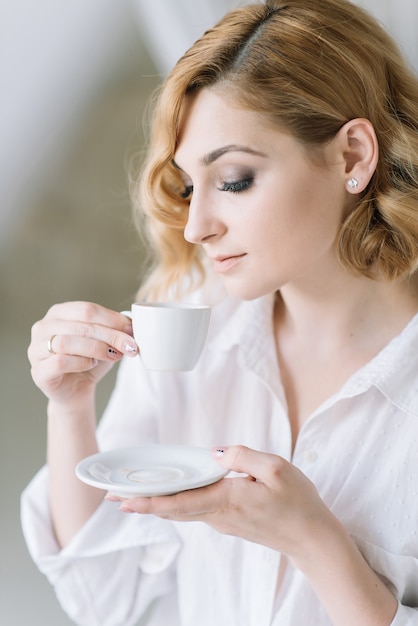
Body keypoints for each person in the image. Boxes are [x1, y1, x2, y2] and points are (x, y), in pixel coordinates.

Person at [22, 0, 418, 624]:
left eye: (233, 179)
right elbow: (108, 597)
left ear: (352, 157)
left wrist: (316, 542)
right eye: (187, 186)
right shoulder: (191, 318)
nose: (199, 225)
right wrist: (69, 406)